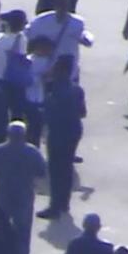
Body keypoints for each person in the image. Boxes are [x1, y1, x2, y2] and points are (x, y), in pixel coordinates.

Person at [0, 122, 47, 254]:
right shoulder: (32, 151)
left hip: (3, 195)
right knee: (23, 232)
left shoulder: (0, 150)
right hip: (24, 196)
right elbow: (42, 172)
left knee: (0, 229)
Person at [38, 55, 85, 220]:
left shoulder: (53, 88)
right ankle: (64, 203)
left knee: (55, 170)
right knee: (66, 168)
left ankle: (55, 206)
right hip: (74, 131)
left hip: (58, 132)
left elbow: (48, 112)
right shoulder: (77, 89)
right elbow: (82, 112)